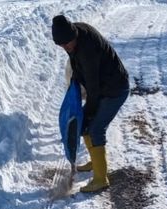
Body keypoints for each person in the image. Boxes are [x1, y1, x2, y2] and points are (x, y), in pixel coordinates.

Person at [52, 14, 130, 193]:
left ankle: (101, 179)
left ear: (74, 36)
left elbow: (93, 89)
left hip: (115, 90)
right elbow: (76, 65)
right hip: (104, 87)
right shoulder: (75, 32)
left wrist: (87, 112)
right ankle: (94, 162)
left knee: (95, 127)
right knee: (87, 125)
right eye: (61, 45)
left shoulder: (88, 51)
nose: (65, 48)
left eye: (67, 44)